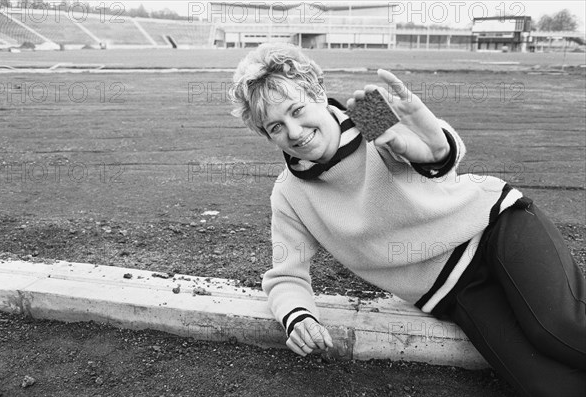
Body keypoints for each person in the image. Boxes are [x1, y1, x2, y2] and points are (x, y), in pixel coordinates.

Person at [229, 42, 586, 397]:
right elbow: (286, 274)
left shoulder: (367, 115)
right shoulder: (290, 193)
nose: (293, 131)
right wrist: (298, 316)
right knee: (546, 385)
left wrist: (431, 145)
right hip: (454, 291)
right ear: (266, 135)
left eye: (297, 109)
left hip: (495, 229)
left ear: (318, 93)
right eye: (275, 127)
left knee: (557, 330)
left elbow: (436, 155)